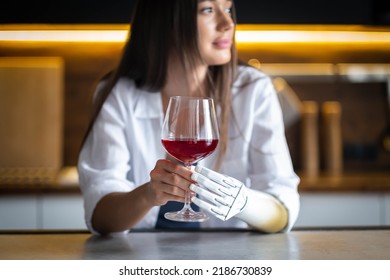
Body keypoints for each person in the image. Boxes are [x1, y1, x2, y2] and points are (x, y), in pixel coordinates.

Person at [78, 0, 300, 236]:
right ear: (166, 21)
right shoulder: (118, 94)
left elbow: (283, 211)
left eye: (227, 9)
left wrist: (243, 203)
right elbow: (100, 215)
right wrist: (147, 195)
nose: (228, 23)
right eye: (207, 10)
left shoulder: (253, 89)